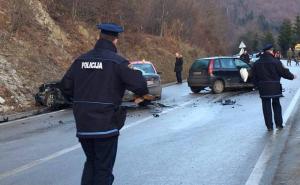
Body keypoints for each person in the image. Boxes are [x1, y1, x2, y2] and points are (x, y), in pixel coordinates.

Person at [59, 23, 150, 185]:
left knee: (91, 163)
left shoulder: (80, 60)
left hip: (84, 125)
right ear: (115, 41)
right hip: (105, 125)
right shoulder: (117, 62)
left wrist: (79, 103)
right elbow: (140, 85)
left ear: (98, 38)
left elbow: (65, 86)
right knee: (103, 169)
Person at [252, 44, 296, 131]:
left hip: (263, 88)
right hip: (275, 87)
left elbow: (254, 77)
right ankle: (279, 124)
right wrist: (292, 76)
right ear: (271, 51)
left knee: (266, 107)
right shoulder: (276, 62)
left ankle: (269, 127)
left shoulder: (257, 63)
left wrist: (257, 86)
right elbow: (284, 72)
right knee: (276, 105)